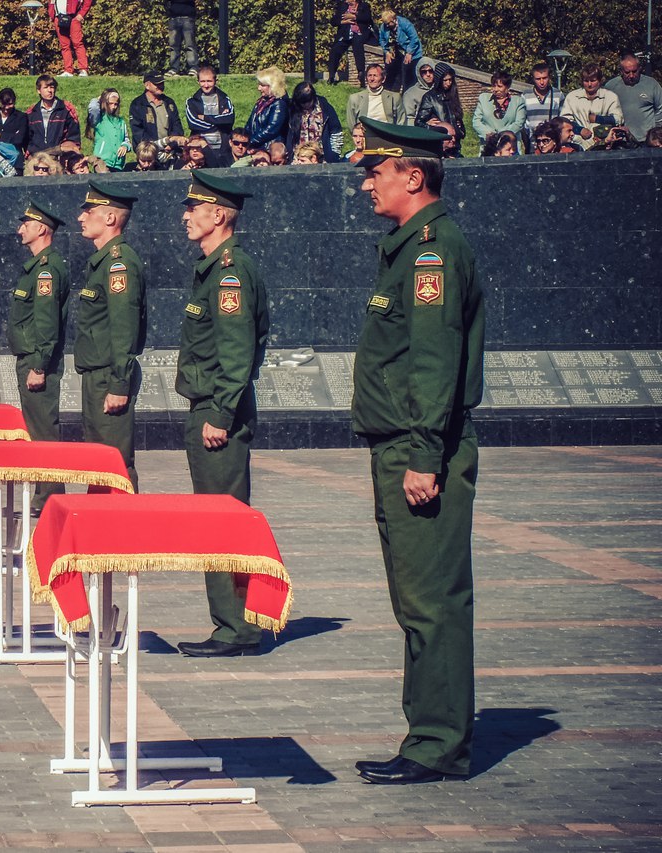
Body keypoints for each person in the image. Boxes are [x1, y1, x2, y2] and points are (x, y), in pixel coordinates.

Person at [350, 116, 483, 785]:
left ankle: (437, 743)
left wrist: (425, 455)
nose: (367, 184)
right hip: (402, 442)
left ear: (413, 175)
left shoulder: (432, 252)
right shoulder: (409, 249)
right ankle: (430, 732)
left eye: (376, 172)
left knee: (432, 602)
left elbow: (433, 362)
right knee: (417, 602)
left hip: (418, 445)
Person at [173, 171, 269, 658]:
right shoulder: (214, 269)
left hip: (217, 413)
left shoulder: (230, 273)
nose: (185, 216)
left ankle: (237, 627)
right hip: (211, 407)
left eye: (194, 208)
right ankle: (233, 623)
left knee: (223, 520)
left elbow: (237, 352)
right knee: (214, 519)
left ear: (219, 215)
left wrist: (220, 413)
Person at [74, 180, 146, 490]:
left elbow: (123, 327)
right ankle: (100, 517)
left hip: (109, 375)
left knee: (114, 462)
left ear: (110, 218)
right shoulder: (103, 262)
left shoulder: (119, 264)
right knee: (98, 461)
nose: (81, 217)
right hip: (98, 373)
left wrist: (119, 383)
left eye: (89, 211)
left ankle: (123, 518)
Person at [9, 201, 70, 508]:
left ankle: (50, 496)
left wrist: (39, 365)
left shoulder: (46, 270)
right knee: (36, 430)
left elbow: (46, 322)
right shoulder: (37, 267)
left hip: (37, 361)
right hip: (31, 358)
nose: (20, 229)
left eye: (26, 224)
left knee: (43, 431)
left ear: (42, 229)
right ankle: (45, 493)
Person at [561, 63, 625, 150]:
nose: (589, 84)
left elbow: (618, 119)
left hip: (604, 143)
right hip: (578, 144)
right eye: (586, 81)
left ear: (600, 80)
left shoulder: (610, 97)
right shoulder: (572, 97)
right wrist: (580, 130)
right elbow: (564, 121)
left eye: (593, 80)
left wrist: (598, 119)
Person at [605, 52, 662, 145]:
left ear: (640, 68)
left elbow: (660, 109)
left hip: (647, 141)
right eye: (627, 72)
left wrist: (656, 133)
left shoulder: (651, 84)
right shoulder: (611, 86)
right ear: (621, 71)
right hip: (620, 141)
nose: (631, 75)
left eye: (634, 71)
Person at [186, 66, 238, 166]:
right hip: (201, 150)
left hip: (222, 148)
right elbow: (193, 123)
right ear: (198, 82)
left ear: (215, 81)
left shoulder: (225, 99)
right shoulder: (192, 101)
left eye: (209, 81)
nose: (206, 85)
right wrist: (218, 123)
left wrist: (205, 118)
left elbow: (229, 119)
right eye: (202, 81)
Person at [130, 72, 187, 156]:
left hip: (170, 151)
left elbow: (177, 125)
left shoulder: (169, 102)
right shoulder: (138, 104)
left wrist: (172, 144)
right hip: (148, 153)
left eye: (162, 83)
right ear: (147, 85)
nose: (160, 86)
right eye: (157, 84)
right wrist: (154, 146)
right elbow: (137, 131)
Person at [415, 63, 465, 157]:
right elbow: (418, 123)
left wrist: (460, 128)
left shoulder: (453, 95)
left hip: (455, 144)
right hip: (440, 145)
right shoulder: (430, 97)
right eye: (445, 80)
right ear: (439, 80)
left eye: (450, 80)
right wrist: (429, 126)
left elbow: (459, 119)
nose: (448, 83)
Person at [285, 82, 344, 163]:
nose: (306, 105)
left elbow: (336, 131)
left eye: (308, 102)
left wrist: (334, 155)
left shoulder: (325, 108)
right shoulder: (291, 109)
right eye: (302, 103)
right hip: (298, 159)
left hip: (322, 159)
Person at [25, 74, 81, 156]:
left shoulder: (66, 110)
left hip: (59, 156)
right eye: (46, 87)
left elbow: (73, 137)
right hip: (37, 157)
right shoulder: (31, 113)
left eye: (52, 87)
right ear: (38, 90)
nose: (49, 90)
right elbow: (27, 139)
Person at [327, 0, 376, 85]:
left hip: (359, 34)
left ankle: (361, 73)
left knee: (358, 47)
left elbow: (367, 18)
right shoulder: (343, 6)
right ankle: (331, 76)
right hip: (346, 35)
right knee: (335, 50)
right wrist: (343, 22)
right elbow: (333, 21)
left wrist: (354, 17)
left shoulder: (364, 5)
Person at [472, 71, 526, 145]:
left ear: (507, 87)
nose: (496, 89)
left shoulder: (518, 101)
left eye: (500, 86)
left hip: (510, 144)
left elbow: (519, 123)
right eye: (494, 86)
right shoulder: (483, 98)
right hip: (489, 144)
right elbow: (476, 121)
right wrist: (489, 134)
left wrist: (501, 135)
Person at [346, 64, 406, 129]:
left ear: (383, 79)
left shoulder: (394, 98)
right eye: (369, 75)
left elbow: (401, 122)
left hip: (387, 132)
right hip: (365, 133)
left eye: (375, 75)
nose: (372, 79)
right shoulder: (355, 98)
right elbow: (352, 125)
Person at [376, 8, 422, 93]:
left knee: (407, 76)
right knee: (391, 72)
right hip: (395, 51)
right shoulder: (384, 26)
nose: (387, 26)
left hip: (410, 51)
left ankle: (407, 95)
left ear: (394, 19)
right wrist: (386, 52)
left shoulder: (405, 23)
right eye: (385, 24)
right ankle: (390, 93)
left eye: (388, 23)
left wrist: (409, 52)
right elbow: (382, 40)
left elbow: (414, 39)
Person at [521, 62, 564, 151]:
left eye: (544, 78)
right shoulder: (525, 96)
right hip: (533, 143)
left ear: (549, 77)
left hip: (553, 143)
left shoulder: (558, 94)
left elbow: (562, 119)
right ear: (533, 79)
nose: (541, 82)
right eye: (538, 79)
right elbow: (522, 122)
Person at [245, 66, 289, 150]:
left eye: (262, 85)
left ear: (273, 86)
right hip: (257, 146)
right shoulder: (261, 102)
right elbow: (249, 124)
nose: (259, 88)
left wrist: (250, 142)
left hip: (270, 149)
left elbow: (271, 130)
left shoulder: (279, 104)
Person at [0, 88, 28, 171]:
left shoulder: (21, 117)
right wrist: (11, 136)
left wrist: (0, 136)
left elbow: (19, 139)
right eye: (4, 104)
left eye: (10, 104)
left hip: (15, 163)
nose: (6, 107)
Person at [87, 88, 130, 169]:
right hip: (102, 162)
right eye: (110, 103)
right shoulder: (99, 119)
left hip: (118, 164)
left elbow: (126, 139)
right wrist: (99, 99)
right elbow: (93, 108)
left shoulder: (121, 122)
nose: (113, 107)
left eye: (116, 104)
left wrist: (125, 146)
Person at [48, 0, 93, 77]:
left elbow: (88, 1)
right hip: (59, 18)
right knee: (64, 46)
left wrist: (81, 14)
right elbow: (51, 2)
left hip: (74, 17)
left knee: (77, 43)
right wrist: (52, 15)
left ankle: (83, 69)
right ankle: (68, 70)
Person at [165, 0, 199, 78]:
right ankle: (174, 69)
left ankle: (193, 67)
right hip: (173, 18)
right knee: (173, 46)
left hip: (188, 17)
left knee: (190, 45)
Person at [403, 58, 436, 125]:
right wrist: (424, 124)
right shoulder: (410, 94)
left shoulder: (440, 89)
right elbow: (409, 118)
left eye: (430, 71)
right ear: (419, 73)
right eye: (424, 72)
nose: (428, 74)